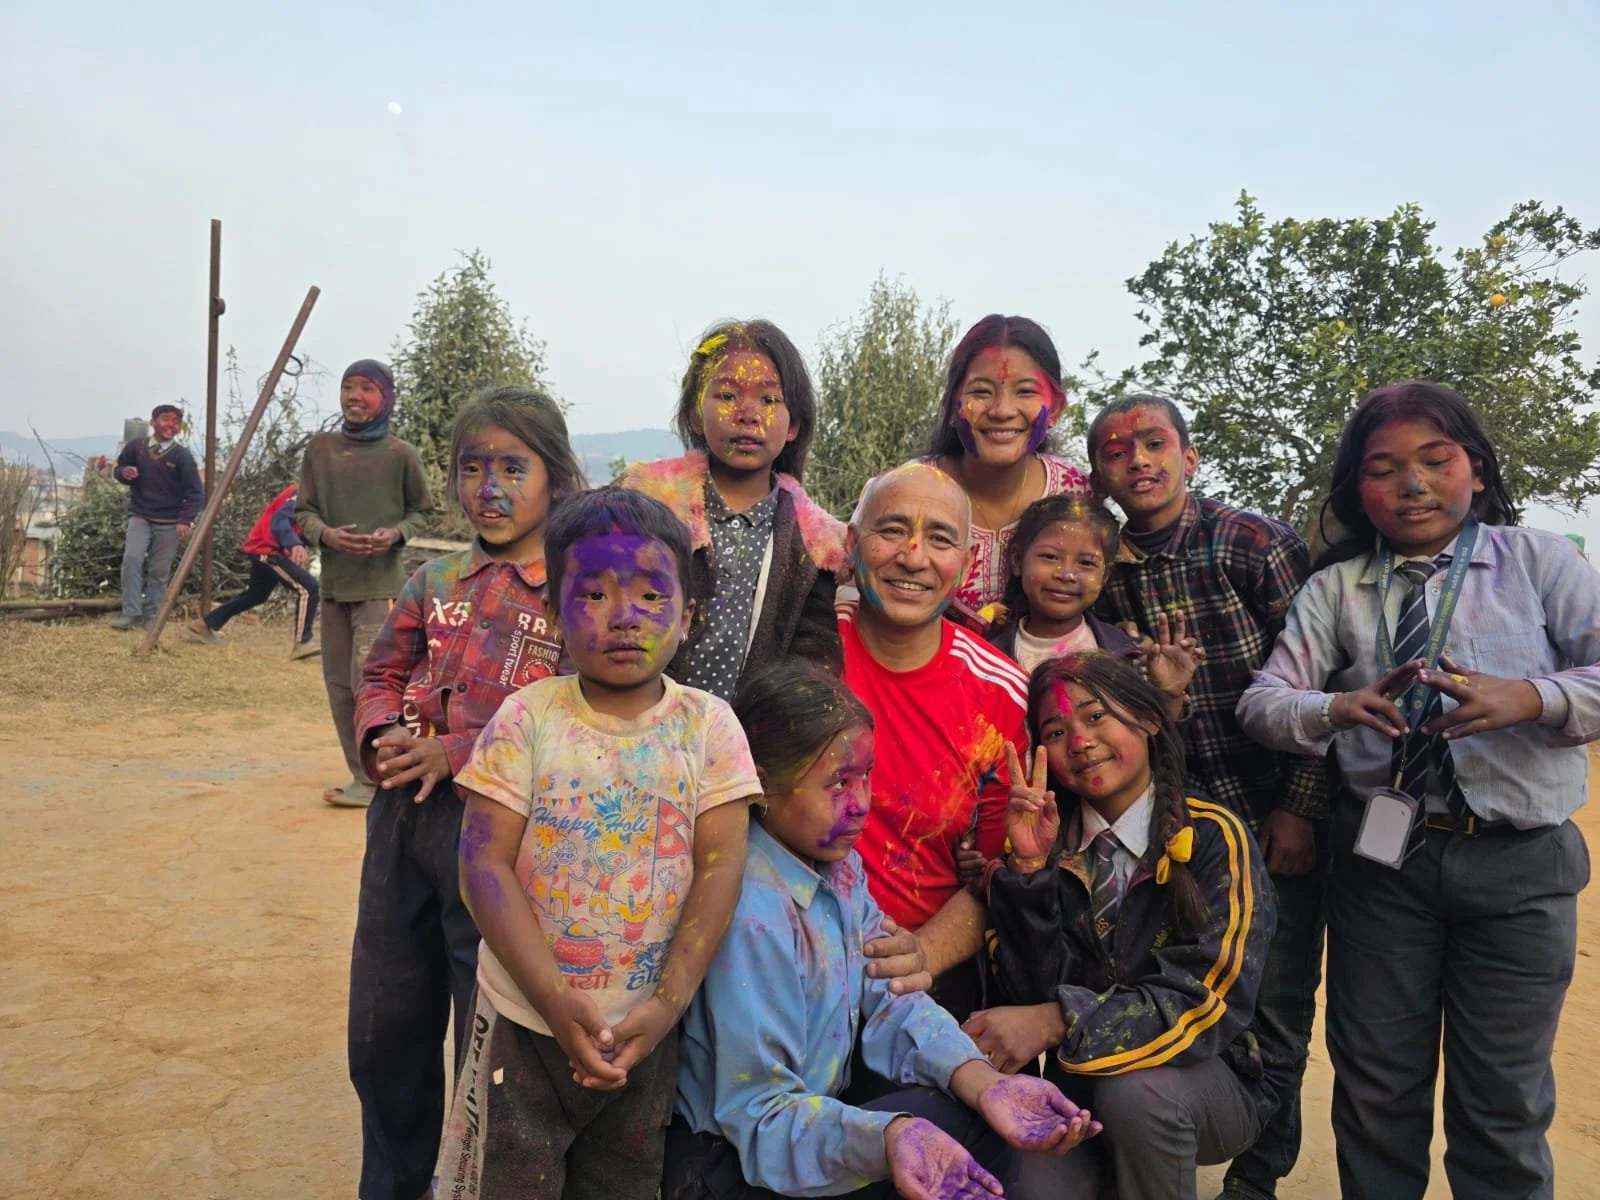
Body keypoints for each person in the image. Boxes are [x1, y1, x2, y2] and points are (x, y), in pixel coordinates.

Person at [1237, 381, 1600, 1200]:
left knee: (1503, 1105)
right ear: (1356, 488)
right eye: (1384, 468)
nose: (1413, 484)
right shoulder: (1335, 589)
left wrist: (1532, 697)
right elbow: (1263, 702)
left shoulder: (1542, 561)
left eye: (1436, 460)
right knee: (1375, 1095)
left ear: (1474, 466)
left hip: (1522, 868)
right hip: (1383, 869)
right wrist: (1332, 707)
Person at [667, 660, 1102, 1200]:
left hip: (810, 1128)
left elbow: (891, 993)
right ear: (763, 788)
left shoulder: (837, 866)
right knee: (931, 1137)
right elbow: (762, 1116)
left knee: (987, 1117)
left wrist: (984, 1081)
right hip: (730, 1164)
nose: (860, 804)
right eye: (837, 782)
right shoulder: (750, 911)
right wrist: (889, 1135)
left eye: (866, 775)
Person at [437, 487, 758, 1200]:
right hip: (523, 1025)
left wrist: (666, 1005)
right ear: (553, 610)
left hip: (646, 1030)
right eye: (594, 594)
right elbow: (481, 864)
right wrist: (553, 1001)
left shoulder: (710, 729)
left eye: (651, 594)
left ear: (688, 617)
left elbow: (720, 868)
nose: (624, 617)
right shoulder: (528, 719)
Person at [341, 387, 584, 1200]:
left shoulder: (575, 594)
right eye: (472, 467)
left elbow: (569, 709)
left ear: (555, 476)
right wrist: (380, 738)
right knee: (384, 1032)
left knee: (484, 1036)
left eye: (513, 466)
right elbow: (380, 671)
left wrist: (454, 749)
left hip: (499, 844)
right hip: (401, 826)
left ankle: (466, 1183)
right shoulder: (433, 580)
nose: (491, 486)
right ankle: (394, 1183)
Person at [1087, 394, 1326, 1200]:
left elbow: (1322, 677)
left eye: (1155, 443)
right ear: (1101, 473)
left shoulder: (1253, 543)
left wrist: (1300, 804)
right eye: (1118, 451)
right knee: (1181, 984)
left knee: (1277, 1005)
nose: (1139, 461)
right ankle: (1158, 1135)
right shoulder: (1103, 572)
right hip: (1178, 830)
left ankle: (1256, 1179)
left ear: (1190, 457)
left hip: (1271, 808)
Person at [969, 652, 1288, 1200]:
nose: (1080, 741)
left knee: (1136, 1096)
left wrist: (1058, 1020)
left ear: (1150, 718)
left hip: (1206, 1081)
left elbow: (1205, 1002)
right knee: (1027, 1177)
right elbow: (1024, 991)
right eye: (1056, 729)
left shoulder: (1213, 837)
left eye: (1097, 717)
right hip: (1080, 1086)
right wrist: (1025, 874)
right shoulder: (1042, 842)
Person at [841, 462, 1029, 1022]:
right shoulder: (804, 648)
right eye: (892, 530)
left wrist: (922, 953)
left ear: (966, 564)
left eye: (940, 539)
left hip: (916, 991)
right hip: (779, 968)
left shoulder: (1001, 694)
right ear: (853, 543)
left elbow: (997, 875)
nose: (914, 556)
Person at [620, 320, 845, 701]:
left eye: (769, 400)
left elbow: (814, 657)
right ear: (694, 413)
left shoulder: (815, 545)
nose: (748, 414)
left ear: (794, 426)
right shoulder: (646, 508)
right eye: (726, 396)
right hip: (644, 727)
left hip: (749, 745)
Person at [295, 359, 432, 808]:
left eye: (366, 389)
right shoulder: (320, 450)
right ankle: (362, 776)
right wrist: (326, 534)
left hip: (380, 589)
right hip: (333, 587)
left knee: (370, 684)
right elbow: (303, 511)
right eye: (347, 387)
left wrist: (395, 534)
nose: (354, 397)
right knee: (338, 685)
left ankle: (383, 776)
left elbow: (422, 512)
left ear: (385, 398)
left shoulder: (401, 455)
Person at [921, 315, 1090, 626]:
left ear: (1055, 409)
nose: (1001, 410)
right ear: (953, 407)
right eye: (982, 392)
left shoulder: (1077, 493)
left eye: (1025, 392)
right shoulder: (908, 490)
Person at [986, 494, 1200, 716]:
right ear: (1017, 560)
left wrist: (1170, 694)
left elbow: (1156, 743)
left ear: (1105, 576)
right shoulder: (988, 661)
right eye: (1050, 557)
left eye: (1086, 563)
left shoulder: (1129, 654)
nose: (1067, 574)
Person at [185, 482, 318, 657]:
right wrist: (294, 544)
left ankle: (205, 625)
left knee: (256, 595)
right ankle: (302, 643)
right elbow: (280, 520)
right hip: (268, 550)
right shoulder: (305, 491)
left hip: (266, 548)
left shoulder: (312, 491)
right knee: (308, 588)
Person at [110, 403, 204, 630]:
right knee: (131, 560)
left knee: (159, 571)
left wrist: (185, 520)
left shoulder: (182, 456)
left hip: (169, 521)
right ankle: (130, 612)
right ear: (153, 422)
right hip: (140, 514)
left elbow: (196, 492)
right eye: (165, 419)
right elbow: (119, 468)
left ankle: (151, 615)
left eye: (175, 421)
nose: (170, 425)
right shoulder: (136, 447)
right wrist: (125, 473)